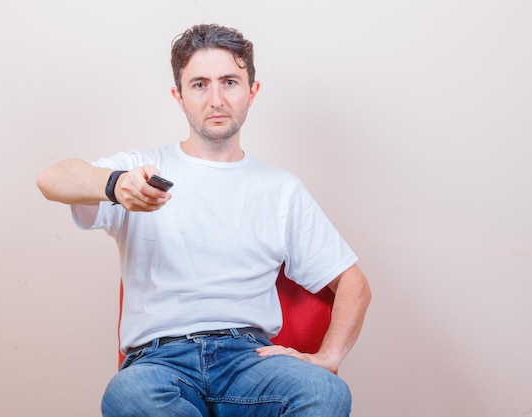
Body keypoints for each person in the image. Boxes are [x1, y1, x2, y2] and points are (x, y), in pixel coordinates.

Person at [37, 23, 371, 417]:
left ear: (252, 91)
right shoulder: (139, 171)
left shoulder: (281, 189)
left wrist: (328, 357)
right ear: (179, 97)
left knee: (325, 392)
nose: (216, 99)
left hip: (249, 361)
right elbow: (51, 179)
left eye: (229, 81)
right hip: (158, 363)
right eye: (199, 85)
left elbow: (353, 283)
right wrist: (112, 184)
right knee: (126, 395)